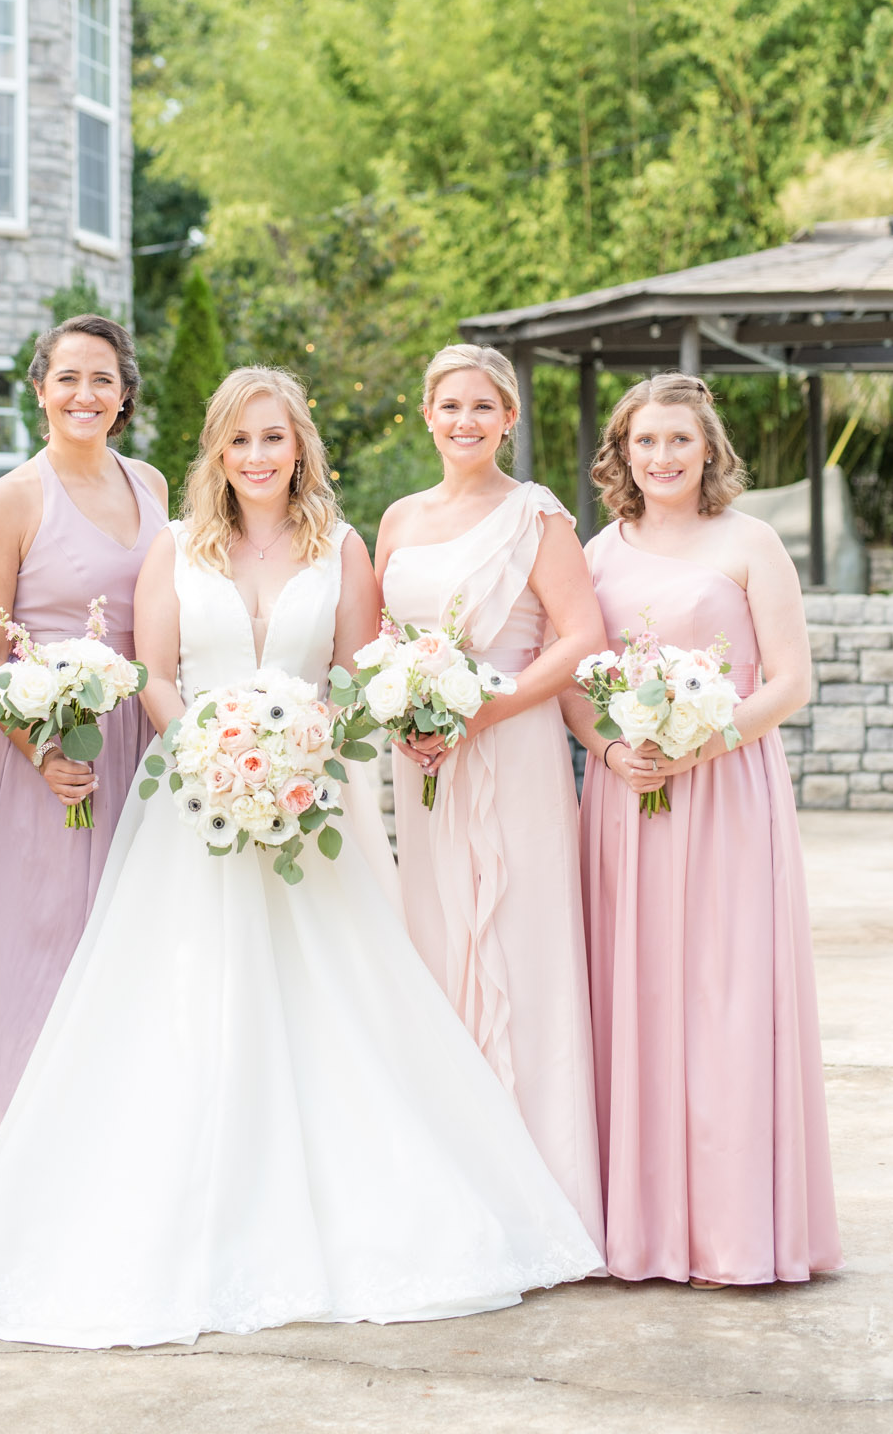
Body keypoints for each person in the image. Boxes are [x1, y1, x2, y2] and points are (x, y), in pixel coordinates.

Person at [0, 367, 601, 1348]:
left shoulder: (341, 544)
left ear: (299, 447)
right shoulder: (172, 545)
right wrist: (205, 751)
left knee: (336, 1007)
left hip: (307, 796)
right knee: (179, 1010)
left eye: (273, 439)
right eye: (239, 439)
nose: (256, 456)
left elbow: (357, 668)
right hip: (190, 805)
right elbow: (155, 674)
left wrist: (299, 750)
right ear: (216, 448)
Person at [560, 372, 841, 1286]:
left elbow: (789, 682)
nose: (662, 457)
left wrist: (701, 743)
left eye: (679, 440)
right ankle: (641, 1228)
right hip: (625, 799)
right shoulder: (596, 552)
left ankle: (733, 1231)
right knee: (633, 996)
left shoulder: (751, 541)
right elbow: (572, 681)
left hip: (725, 792)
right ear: (621, 452)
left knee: (725, 996)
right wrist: (609, 752)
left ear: (709, 448)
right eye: (645, 442)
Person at [0, 315, 167, 1247]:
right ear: (39, 389)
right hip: (48, 760)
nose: (84, 395)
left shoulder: (148, 484)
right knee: (43, 958)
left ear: (124, 393)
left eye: (101, 379)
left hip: (139, 748)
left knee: (131, 953)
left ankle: (121, 1176)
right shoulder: (7, 502)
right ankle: (21, 1198)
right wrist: (39, 745)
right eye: (67, 378)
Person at [376, 343, 607, 1251]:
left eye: (484, 407)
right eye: (449, 406)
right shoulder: (396, 520)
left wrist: (485, 708)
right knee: (435, 944)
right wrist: (406, 711)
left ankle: (541, 1197)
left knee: (520, 939)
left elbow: (580, 634)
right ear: (425, 415)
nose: (465, 421)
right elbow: (383, 640)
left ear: (509, 419)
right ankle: (454, 1185)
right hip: (423, 759)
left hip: (509, 746)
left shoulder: (536, 516)